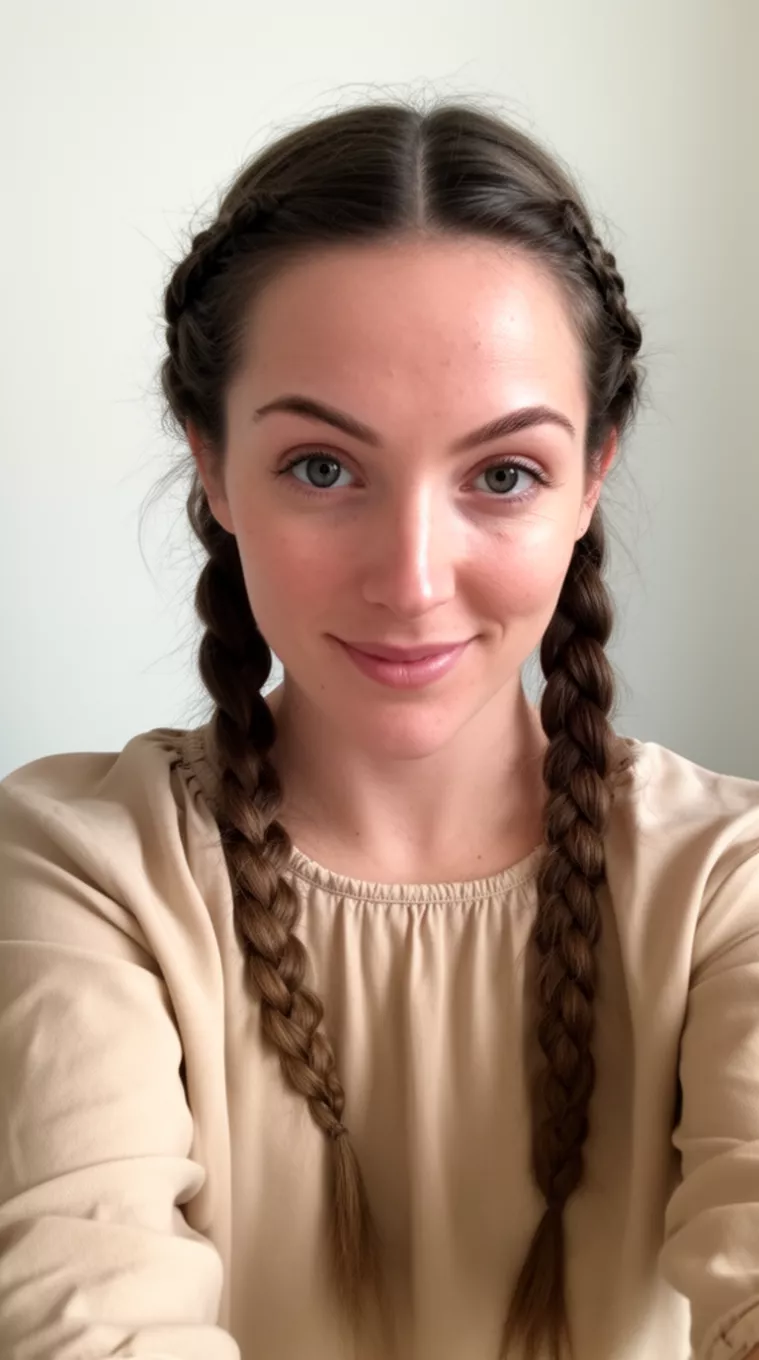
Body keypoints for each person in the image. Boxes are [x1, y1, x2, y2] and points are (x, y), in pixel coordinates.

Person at [1, 99, 758, 1360]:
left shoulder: (728, 883)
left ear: (593, 477)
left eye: (502, 474)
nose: (411, 579)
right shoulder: (83, 867)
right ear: (211, 462)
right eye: (321, 467)